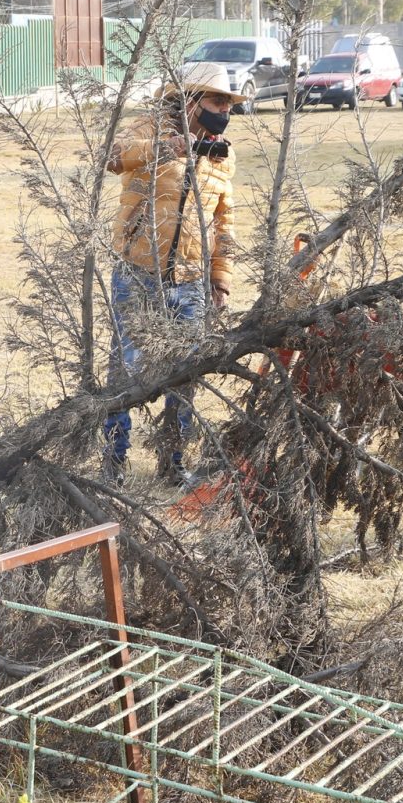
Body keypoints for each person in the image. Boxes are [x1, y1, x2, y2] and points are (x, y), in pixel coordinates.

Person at [101, 62, 238, 487]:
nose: (225, 111)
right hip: (137, 273)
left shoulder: (222, 153)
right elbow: (112, 159)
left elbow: (224, 222)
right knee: (126, 371)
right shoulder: (147, 128)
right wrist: (169, 147)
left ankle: (172, 464)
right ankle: (113, 466)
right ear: (191, 100)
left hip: (192, 282)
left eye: (229, 104)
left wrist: (220, 278)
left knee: (186, 374)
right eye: (217, 102)